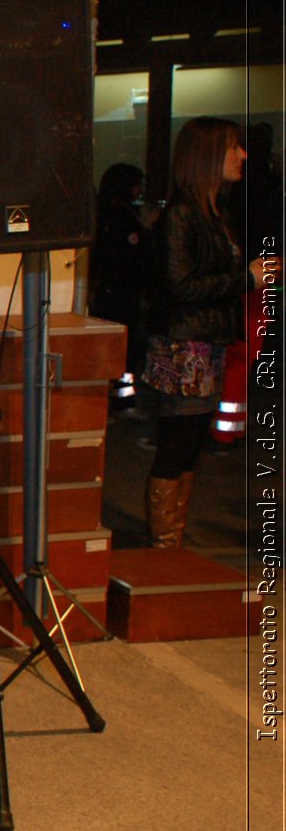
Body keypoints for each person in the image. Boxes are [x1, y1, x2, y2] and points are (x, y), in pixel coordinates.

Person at [142, 117, 270, 546]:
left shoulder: (213, 211)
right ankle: (164, 540)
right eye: (235, 147)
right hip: (184, 345)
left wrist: (251, 275)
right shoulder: (182, 215)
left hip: (206, 341)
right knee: (178, 442)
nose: (243, 156)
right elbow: (180, 284)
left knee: (191, 442)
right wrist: (246, 279)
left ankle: (172, 535)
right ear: (209, 155)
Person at [90, 163, 153, 407]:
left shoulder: (103, 213)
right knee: (124, 349)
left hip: (108, 290)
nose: (140, 190)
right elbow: (132, 255)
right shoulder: (123, 216)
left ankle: (114, 399)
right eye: (137, 184)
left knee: (113, 347)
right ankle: (122, 401)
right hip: (123, 290)